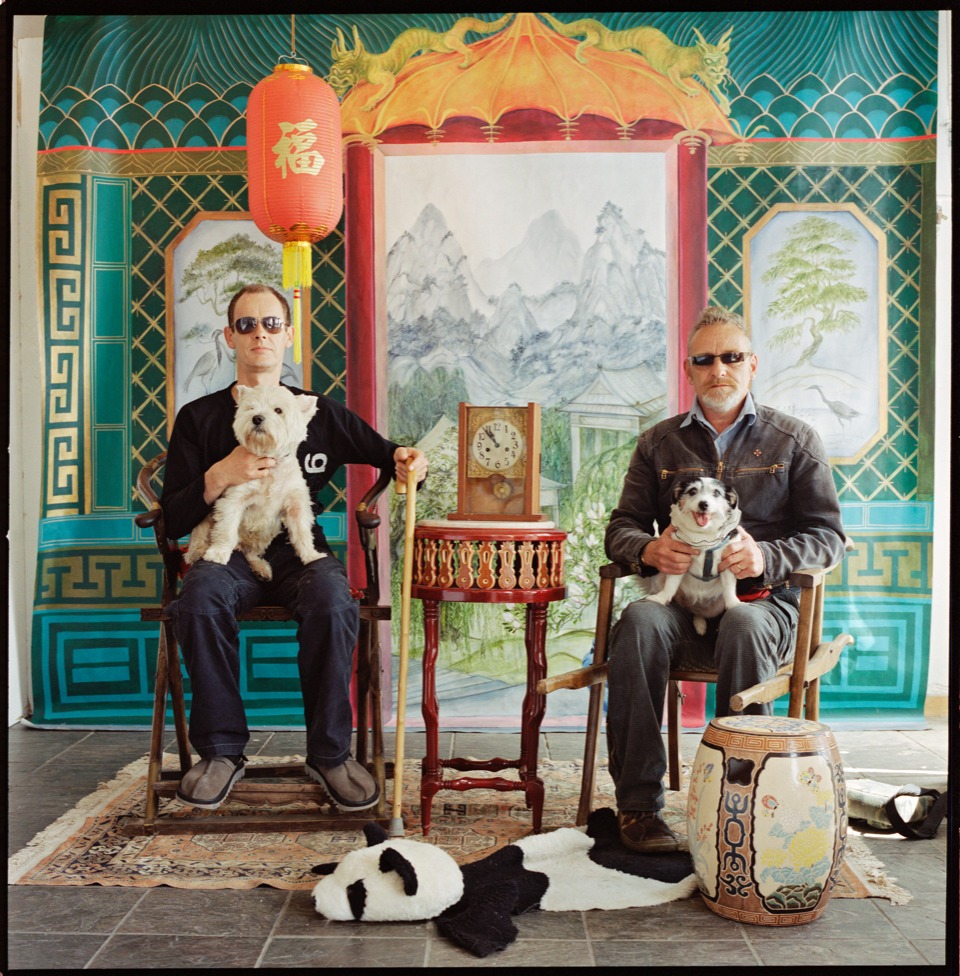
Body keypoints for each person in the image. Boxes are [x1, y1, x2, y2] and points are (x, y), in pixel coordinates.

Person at [161, 283, 428, 811]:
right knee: (200, 597)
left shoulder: (317, 412)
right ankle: (221, 751)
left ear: (287, 336)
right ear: (229, 338)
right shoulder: (199, 417)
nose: (259, 333)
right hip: (229, 548)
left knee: (333, 600)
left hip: (299, 550)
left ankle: (330, 755)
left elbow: (387, 452)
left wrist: (408, 459)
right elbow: (172, 517)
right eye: (245, 325)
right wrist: (218, 475)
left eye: (270, 324)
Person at [604, 306, 846, 852]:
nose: (720, 369)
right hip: (680, 601)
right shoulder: (658, 444)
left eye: (732, 357)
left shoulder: (793, 440)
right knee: (640, 619)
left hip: (763, 605)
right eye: (705, 359)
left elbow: (828, 536)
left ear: (752, 364)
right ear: (688, 370)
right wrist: (647, 547)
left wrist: (768, 558)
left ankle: (742, 799)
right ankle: (638, 809)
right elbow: (619, 528)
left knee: (743, 621)